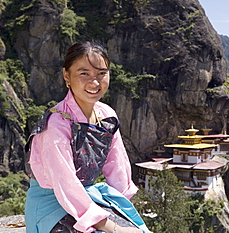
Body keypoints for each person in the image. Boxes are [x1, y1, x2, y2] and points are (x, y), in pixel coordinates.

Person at [24, 41, 151, 233]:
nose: (94, 82)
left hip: (88, 198)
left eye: (101, 73)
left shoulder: (107, 115)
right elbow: (65, 184)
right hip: (52, 207)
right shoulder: (56, 124)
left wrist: (123, 212)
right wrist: (113, 227)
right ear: (67, 75)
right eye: (84, 74)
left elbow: (117, 169)